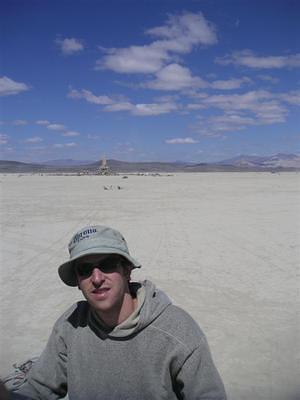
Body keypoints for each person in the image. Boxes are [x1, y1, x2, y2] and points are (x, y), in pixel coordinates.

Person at [8, 225, 227, 399]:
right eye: (85, 269)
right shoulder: (71, 325)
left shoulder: (178, 332)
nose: (96, 278)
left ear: (127, 270)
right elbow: (38, 389)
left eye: (108, 264)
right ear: (77, 281)